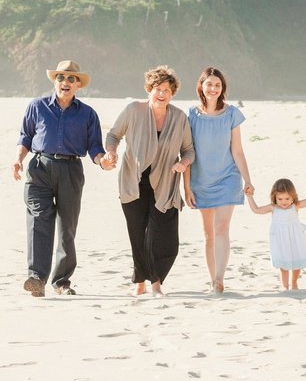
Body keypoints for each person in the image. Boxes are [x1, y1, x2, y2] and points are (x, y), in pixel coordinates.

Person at [13, 60, 114, 298]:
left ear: (78, 84)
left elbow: (95, 147)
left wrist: (103, 162)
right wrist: (18, 159)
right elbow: (25, 137)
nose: (65, 82)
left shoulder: (88, 114)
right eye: (60, 78)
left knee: (67, 227)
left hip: (70, 170)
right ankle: (37, 278)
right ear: (55, 82)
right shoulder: (37, 106)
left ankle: (61, 282)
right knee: (39, 220)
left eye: (71, 79)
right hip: (39, 168)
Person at [104, 65, 195, 297]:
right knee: (138, 234)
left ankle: (155, 278)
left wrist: (182, 164)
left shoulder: (179, 117)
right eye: (157, 88)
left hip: (165, 184)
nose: (162, 93)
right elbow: (113, 135)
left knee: (164, 237)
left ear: (172, 93)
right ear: (149, 89)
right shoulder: (133, 110)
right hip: (133, 182)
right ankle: (145, 283)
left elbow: (189, 150)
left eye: (166, 89)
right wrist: (111, 152)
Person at [184, 66, 253, 294]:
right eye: (209, 84)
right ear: (201, 86)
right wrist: (187, 187)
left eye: (217, 85)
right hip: (201, 180)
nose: (213, 88)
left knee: (222, 228)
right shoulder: (191, 115)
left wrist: (247, 179)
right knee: (208, 234)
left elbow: (238, 151)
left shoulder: (232, 113)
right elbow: (186, 152)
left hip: (228, 178)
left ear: (222, 88)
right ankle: (211, 277)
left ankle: (219, 281)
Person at [247, 178, 306, 290]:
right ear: (274, 197)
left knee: (297, 262)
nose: (284, 202)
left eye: (287, 198)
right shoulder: (273, 208)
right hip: (280, 241)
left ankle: (294, 283)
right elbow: (256, 210)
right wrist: (249, 196)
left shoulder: (295, 206)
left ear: (293, 197)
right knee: (283, 266)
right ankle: (285, 286)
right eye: (280, 199)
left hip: (295, 238)